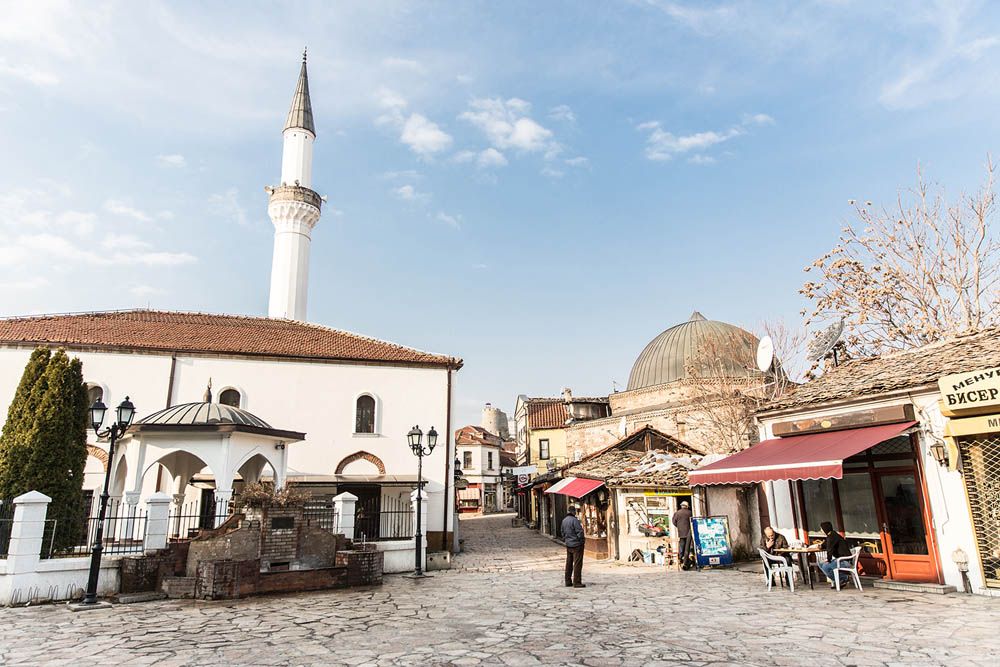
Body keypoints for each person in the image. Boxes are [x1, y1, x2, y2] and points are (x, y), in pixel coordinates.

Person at [817, 521, 852, 588]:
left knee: (825, 566)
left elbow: (830, 549)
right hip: (840, 560)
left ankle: (844, 578)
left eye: (821, 529)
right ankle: (839, 580)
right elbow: (825, 545)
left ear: (825, 528)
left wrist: (828, 559)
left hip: (845, 561)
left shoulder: (832, 537)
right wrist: (820, 546)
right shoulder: (830, 536)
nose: (821, 531)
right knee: (820, 563)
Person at [561, 505, 586, 588]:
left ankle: (567, 581)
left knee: (569, 563)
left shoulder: (564, 521)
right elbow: (580, 532)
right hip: (576, 545)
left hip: (569, 544)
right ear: (573, 512)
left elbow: (562, 532)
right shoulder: (575, 521)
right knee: (577, 563)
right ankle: (577, 582)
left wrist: (566, 540)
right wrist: (581, 541)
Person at [672, 500, 694, 570]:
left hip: (681, 532)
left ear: (681, 506)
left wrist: (679, 526)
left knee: (682, 545)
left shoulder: (677, 513)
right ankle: (688, 558)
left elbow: (674, 522)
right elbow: (692, 521)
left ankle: (681, 558)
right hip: (689, 532)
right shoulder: (690, 512)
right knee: (688, 546)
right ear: (687, 506)